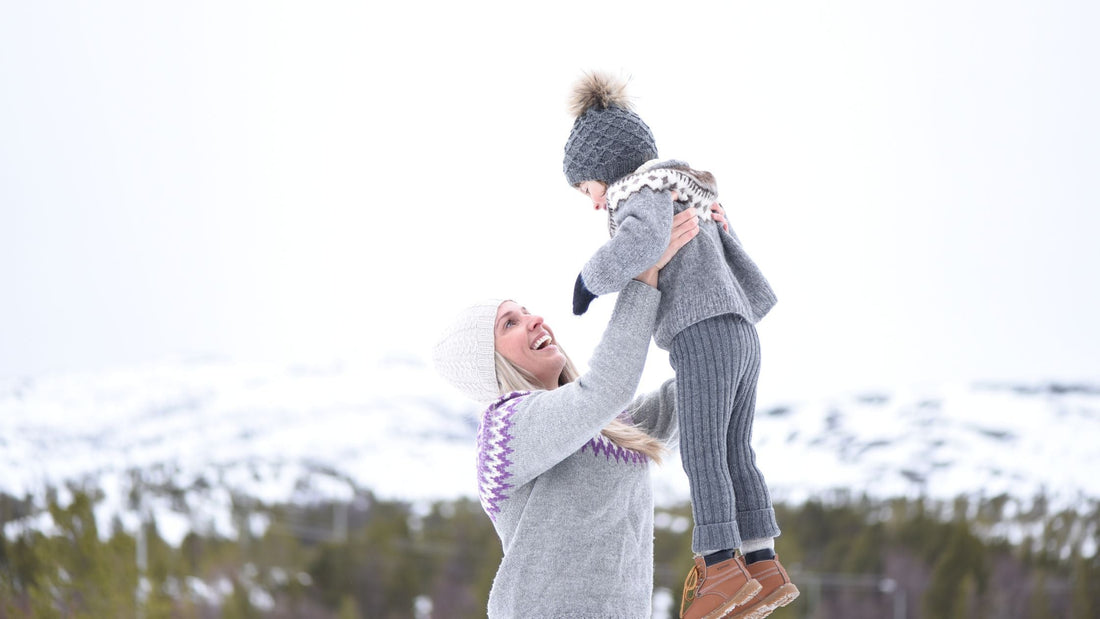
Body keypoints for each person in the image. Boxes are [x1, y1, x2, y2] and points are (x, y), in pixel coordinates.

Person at [562, 71, 799, 619]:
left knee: (702, 450)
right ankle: (762, 565)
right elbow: (723, 246)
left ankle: (719, 567)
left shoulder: (638, 192)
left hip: (703, 333)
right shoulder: (684, 185)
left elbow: (641, 243)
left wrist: (587, 283)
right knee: (736, 449)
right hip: (740, 332)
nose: (595, 204)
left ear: (605, 171)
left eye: (586, 188)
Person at [434, 210, 707, 618]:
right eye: (510, 323)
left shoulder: (604, 427)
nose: (534, 319)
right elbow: (608, 388)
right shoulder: (505, 431)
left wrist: (704, 257)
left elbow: (699, 386)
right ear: (489, 364)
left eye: (525, 311)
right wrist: (642, 272)